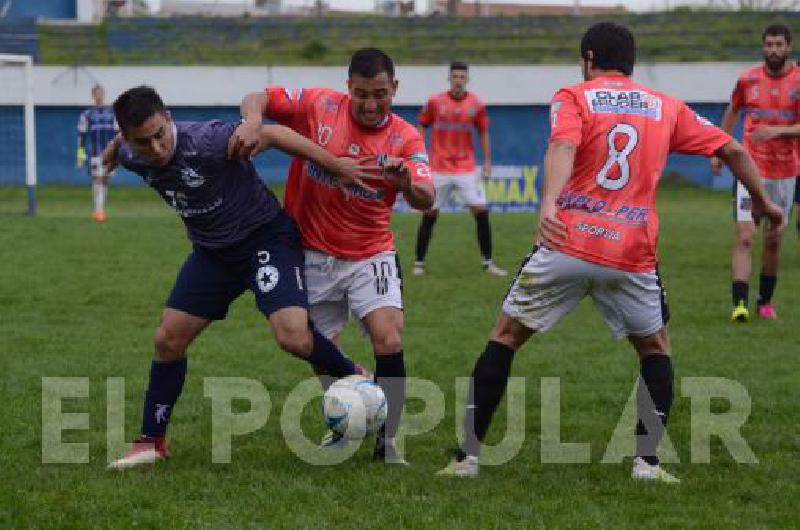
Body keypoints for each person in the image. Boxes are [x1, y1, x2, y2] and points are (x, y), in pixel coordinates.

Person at [438, 22, 784, 481]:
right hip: (631, 253)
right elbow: (735, 149)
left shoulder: (574, 96)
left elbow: (562, 144)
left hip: (566, 241)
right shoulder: (665, 106)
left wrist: (548, 203)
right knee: (655, 348)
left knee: (505, 336)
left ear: (587, 59)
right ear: (631, 63)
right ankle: (647, 461)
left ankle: (468, 457)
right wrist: (762, 200)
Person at [104, 86, 372, 469]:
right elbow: (123, 140)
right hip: (213, 254)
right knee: (168, 340)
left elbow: (276, 134)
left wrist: (338, 166)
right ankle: (151, 441)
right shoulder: (132, 152)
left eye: (160, 134)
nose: (157, 148)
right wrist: (113, 150)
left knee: (292, 336)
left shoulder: (209, 141)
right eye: (143, 142)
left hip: (264, 238)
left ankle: (360, 378)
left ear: (168, 116)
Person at [231, 48, 435, 464]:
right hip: (311, 250)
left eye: (380, 93)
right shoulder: (320, 105)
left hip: (370, 252)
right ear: (349, 89)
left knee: (388, 337)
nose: (372, 103)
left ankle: (388, 441)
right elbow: (259, 97)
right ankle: (345, 424)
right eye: (362, 94)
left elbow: (427, 198)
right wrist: (253, 122)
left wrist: (408, 183)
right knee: (322, 350)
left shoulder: (406, 137)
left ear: (394, 88)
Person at [711, 24, 800, 322]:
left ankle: (765, 302)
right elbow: (733, 111)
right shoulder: (747, 80)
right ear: (763, 46)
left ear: (789, 47)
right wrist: (719, 148)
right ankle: (740, 305)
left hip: (785, 173)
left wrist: (777, 130)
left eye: (779, 44)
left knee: (773, 238)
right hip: (750, 172)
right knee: (746, 236)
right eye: (769, 44)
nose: (774, 49)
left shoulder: (799, 81)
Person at [413, 61, 507, 277]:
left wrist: (487, 162)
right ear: (449, 78)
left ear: (467, 79)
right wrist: (421, 156)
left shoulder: (477, 105)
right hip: (439, 167)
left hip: (465, 167)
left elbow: (483, 133)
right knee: (429, 213)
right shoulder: (435, 102)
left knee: (481, 211)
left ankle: (488, 263)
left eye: (462, 77)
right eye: (454, 76)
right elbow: (421, 125)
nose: (458, 80)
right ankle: (419, 263)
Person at [77, 84, 118, 222]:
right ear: (93, 96)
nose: (99, 96)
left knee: (105, 179)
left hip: (110, 153)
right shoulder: (87, 114)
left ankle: (101, 209)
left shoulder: (112, 114)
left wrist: (119, 153)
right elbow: (82, 136)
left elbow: (118, 134)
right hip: (95, 153)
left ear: (104, 95)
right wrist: (81, 156)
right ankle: (98, 211)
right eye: (97, 94)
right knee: (97, 179)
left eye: (101, 93)